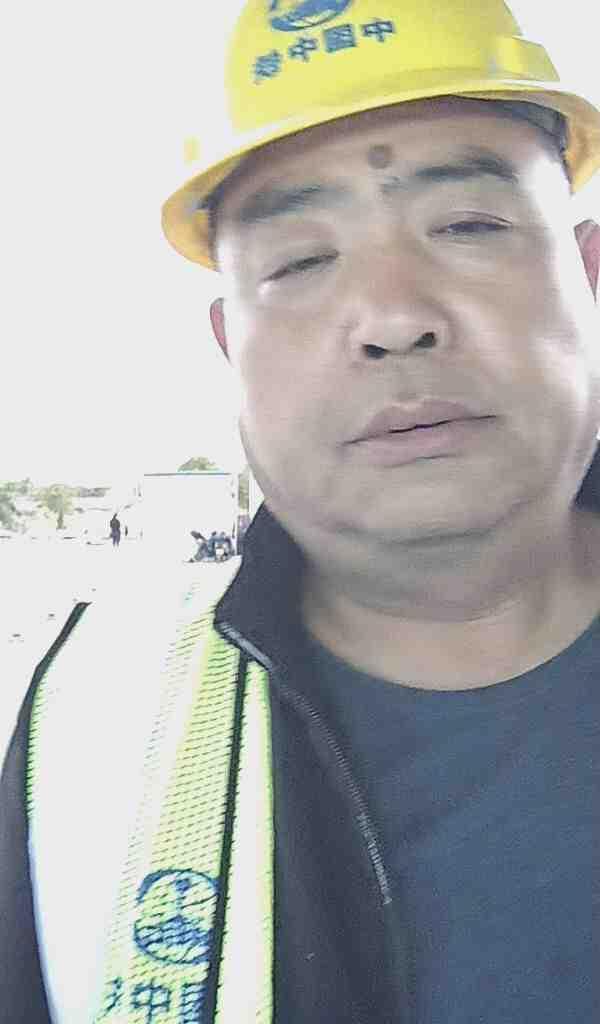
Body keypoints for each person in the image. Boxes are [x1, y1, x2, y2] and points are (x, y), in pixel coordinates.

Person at [2, 1, 600, 1021]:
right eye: (300, 262)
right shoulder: (95, 728)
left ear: (587, 274)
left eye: (467, 225)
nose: (395, 317)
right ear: (229, 343)